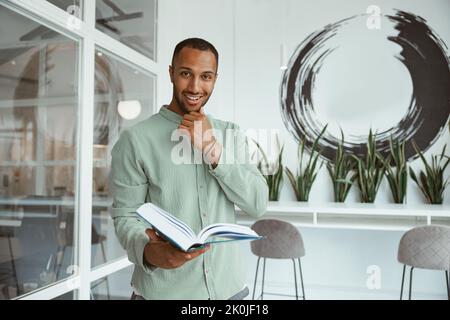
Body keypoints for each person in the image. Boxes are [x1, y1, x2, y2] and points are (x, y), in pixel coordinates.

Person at [110, 38, 268, 300]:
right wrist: (149, 252)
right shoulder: (136, 140)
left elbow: (257, 203)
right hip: (163, 293)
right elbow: (126, 216)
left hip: (231, 292)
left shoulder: (230, 134)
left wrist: (212, 149)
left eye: (206, 76)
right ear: (171, 73)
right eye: (186, 74)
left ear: (215, 79)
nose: (195, 86)